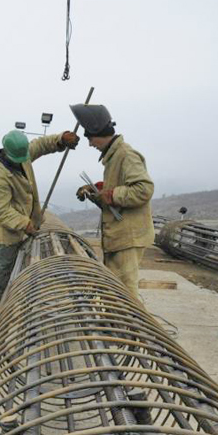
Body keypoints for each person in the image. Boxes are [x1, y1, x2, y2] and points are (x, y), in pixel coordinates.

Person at [0, 129, 80, 319]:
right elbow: (1, 210)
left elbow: (41, 145)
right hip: (8, 226)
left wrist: (60, 139)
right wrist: (25, 224)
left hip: (22, 218)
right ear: (8, 153)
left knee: (2, 262)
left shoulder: (22, 154)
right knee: (5, 264)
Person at [71, 104, 154, 298]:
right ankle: (117, 326)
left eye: (90, 138)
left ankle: (131, 327)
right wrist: (94, 192)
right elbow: (117, 189)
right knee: (115, 288)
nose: (90, 144)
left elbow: (144, 189)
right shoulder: (113, 157)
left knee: (125, 292)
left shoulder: (126, 155)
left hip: (128, 236)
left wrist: (110, 195)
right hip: (119, 235)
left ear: (98, 132)